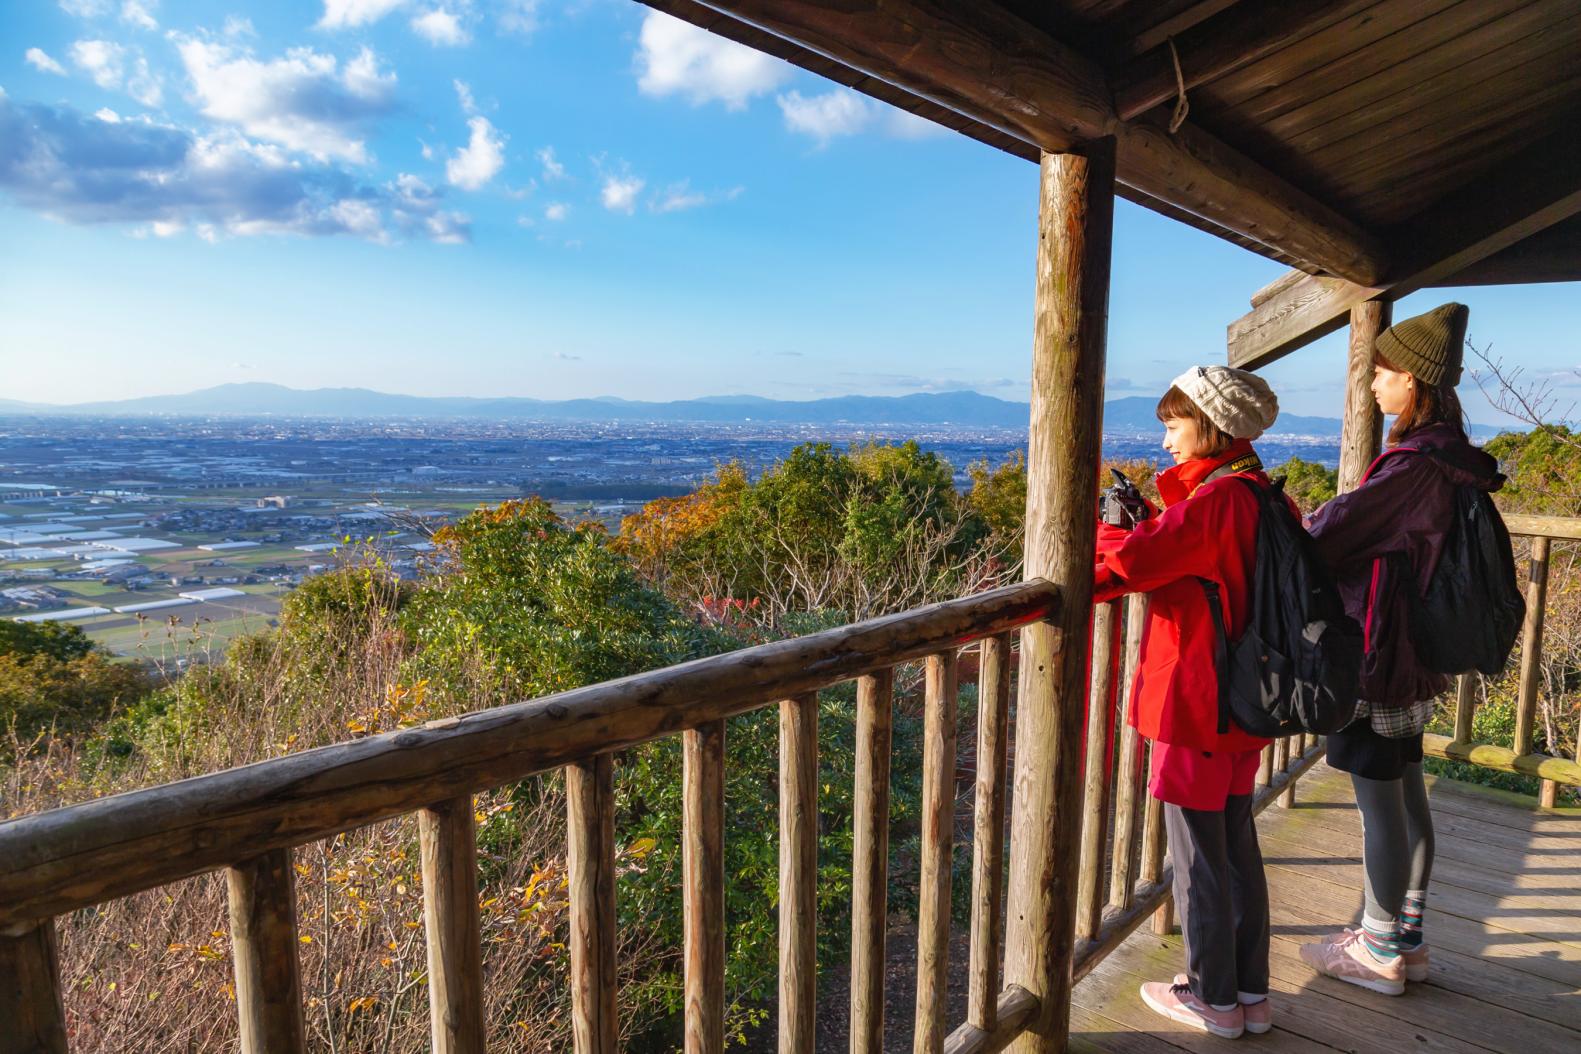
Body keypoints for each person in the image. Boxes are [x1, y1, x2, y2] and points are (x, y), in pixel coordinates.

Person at [1299, 302, 1501, 995]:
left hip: (1378, 656)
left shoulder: (1412, 465)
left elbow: (1334, 535)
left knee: (1378, 807)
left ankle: (1376, 948)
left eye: (1382, 372)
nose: (1373, 385)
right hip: (1412, 657)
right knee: (1408, 799)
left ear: (1412, 381)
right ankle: (1405, 940)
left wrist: (1303, 519)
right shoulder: (1448, 458)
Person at [1094, 365, 1282, 1039]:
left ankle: (1212, 998)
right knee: (1232, 844)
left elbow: (1132, 565)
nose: (1167, 441)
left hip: (1195, 700)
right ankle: (1249, 996)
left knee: (1199, 856)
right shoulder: (1260, 493)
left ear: (1210, 423)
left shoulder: (1217, 501)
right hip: (1245, 701)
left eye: (1173, 425)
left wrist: (1112, 528)